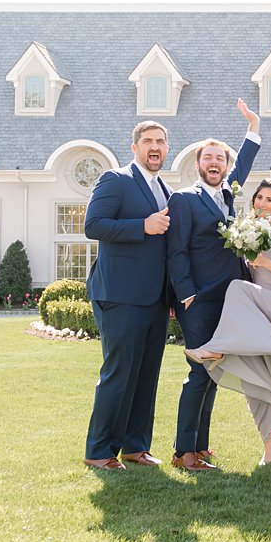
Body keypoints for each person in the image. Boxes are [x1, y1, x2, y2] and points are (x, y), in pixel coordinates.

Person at [184, 178, 271, 467]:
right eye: (259, 198)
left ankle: (216, 348)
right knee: (253, 376)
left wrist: (263, 262)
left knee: (236, 288)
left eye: (269, 200)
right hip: (260, 305)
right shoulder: (251, 228)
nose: (262, 204)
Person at [165, 99, 262, 472]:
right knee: (199, 371)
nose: (214, 163)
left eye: (220, 158)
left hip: (229, 298)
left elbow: (247, 163)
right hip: (198, 300)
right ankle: (182, 452)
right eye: (208, 157)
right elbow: (177, 251)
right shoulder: (184, 199)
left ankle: (200, 447)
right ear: (197, 164)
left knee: (214, 372)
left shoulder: (227, 195)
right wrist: (186, 293)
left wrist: (253, 126)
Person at [82, 120, 177, 470]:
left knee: (146, 375)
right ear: (134, 146)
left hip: (154, 300)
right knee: (119, 373)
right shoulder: (116, 180)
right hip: (119, 295)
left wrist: (168, 296)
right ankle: (98, 450)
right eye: (148, 141)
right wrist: (143, 226)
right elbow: (94, 225)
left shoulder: (164, 190)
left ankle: (135, 447)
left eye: (161, 142)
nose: (155, 147)